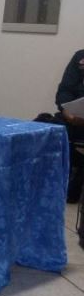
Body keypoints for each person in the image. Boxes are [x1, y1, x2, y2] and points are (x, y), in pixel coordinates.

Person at [55, 48, 84, 203]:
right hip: (74, 117)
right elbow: (64, 90)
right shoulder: (80, 56)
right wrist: (66, 111)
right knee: (48, 128)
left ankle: (75, 184)